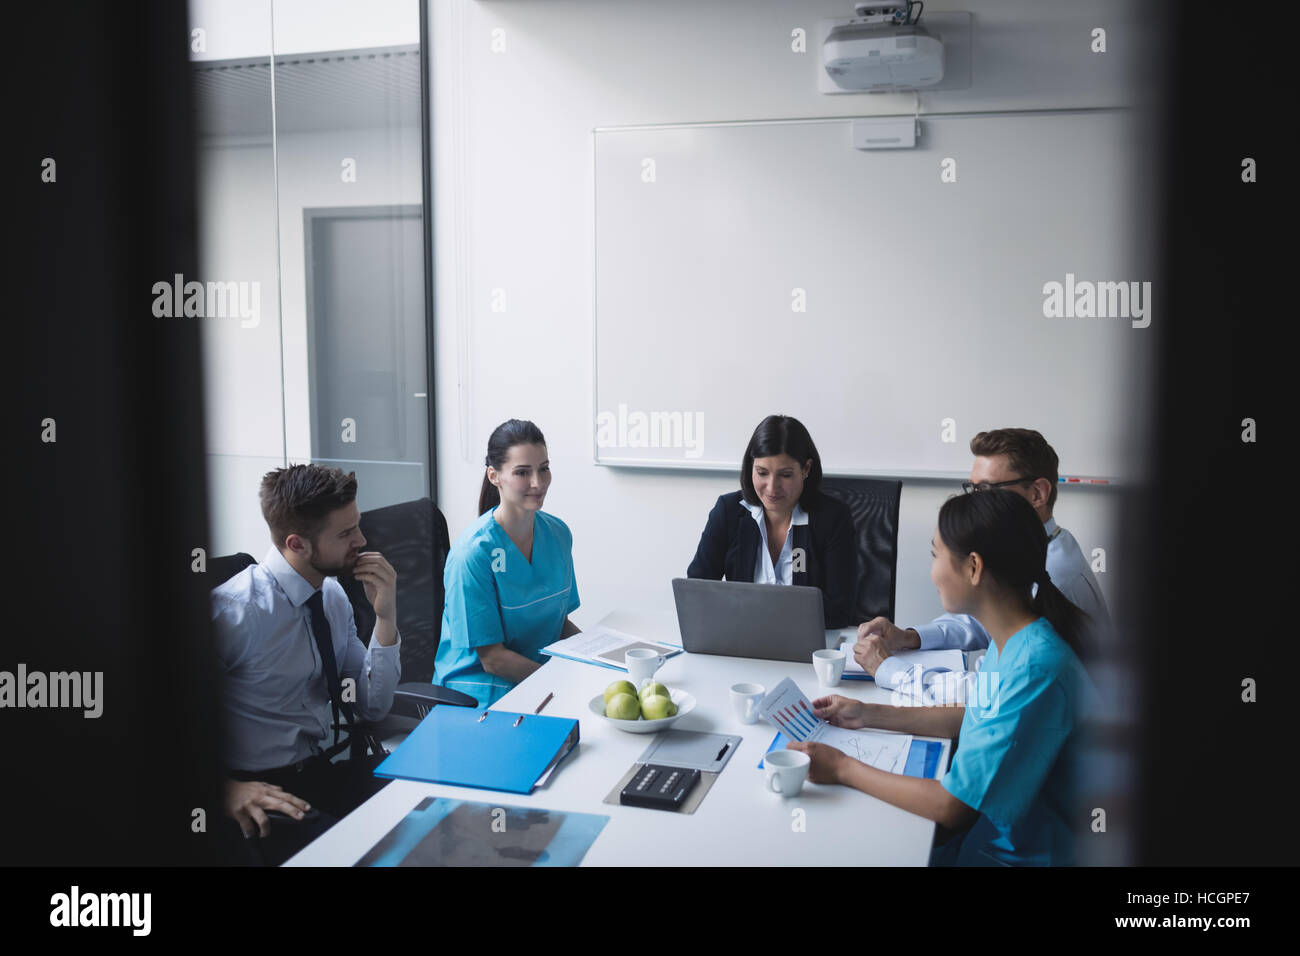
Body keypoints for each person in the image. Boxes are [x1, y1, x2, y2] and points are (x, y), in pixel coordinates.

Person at [788, 489, 1097, 866]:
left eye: (936, 555)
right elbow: (979, 715)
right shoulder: (1016, 637)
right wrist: (868, 713)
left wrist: (842, 767)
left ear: (973, 567)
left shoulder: (1036, 667)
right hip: (989, 837)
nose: (931, 571)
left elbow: (952, 807)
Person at [212, 464, 401, 866]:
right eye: (346, 533)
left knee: (427, 791)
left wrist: (385, 619)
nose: (362, 541)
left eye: (358, 526)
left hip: (318, 770)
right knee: (360, 856)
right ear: (297, 544)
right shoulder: (235, 614)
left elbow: (371, 706)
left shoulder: (332, 598)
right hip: (261, 789)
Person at [854, 427, 1111, 691]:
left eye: (987, 489)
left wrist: (891, 671)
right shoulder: (1036, 548)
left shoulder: (1054, 576)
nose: (975, 503)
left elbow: (988, 694)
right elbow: (981, 621)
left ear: (1037, 494)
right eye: (972, 489)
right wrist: (910, 637)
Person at [433, 419, 580, 707]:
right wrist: (560, 686)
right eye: (523, 472)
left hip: (535, 680)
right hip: (477, 694)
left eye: (544, 469)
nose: (538, 483)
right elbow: (493, 660)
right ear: (494, 476)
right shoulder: (473, 552)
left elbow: (558, 624)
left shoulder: (558, 534)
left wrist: (598, 661)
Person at [687, 414, 857, 628]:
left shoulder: (832, 519)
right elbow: (695, 590)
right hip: (741, 638)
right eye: (762, 473)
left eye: (785, 475)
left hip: (805, 645)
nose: (772, 487)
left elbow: (840, 610)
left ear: (806, 469)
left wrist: (757, 613)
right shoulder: (728, 511)